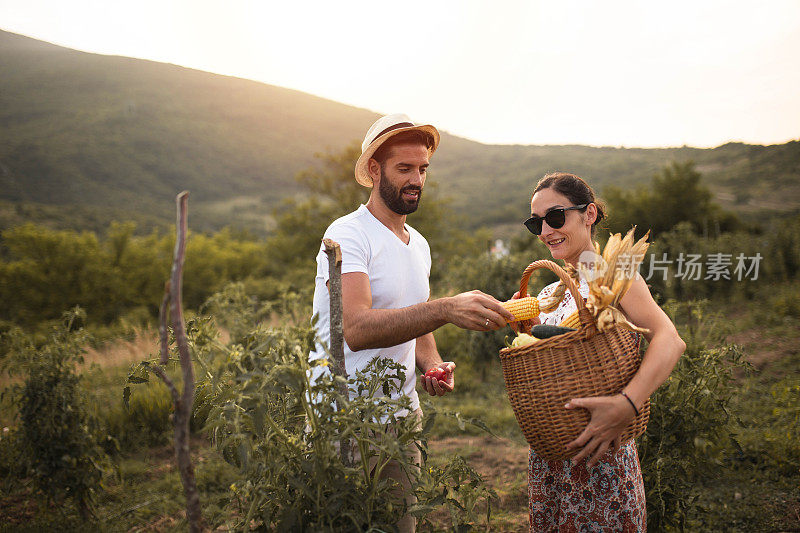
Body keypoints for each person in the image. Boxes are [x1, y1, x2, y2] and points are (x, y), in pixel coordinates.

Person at [309, 113, 514, 533]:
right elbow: (357, 328)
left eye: (422, 169)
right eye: (404, 168)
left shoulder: (419, 244)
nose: (416, 178)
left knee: (401, 525)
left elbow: (416, 322)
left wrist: (432, 363)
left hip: (402, 415)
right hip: (346, 415)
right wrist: (446, 308)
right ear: (373, 170)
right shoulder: (348, 235)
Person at [516, 172, 686, 532]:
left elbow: (670, 339)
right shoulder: (555, 288)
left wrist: (627, 404)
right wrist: (524, 327)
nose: (546, 230)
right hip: (552, 458)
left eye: (556, 217)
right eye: (537, 223)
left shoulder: (613, 276)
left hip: (600, 454)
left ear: (589, 214)